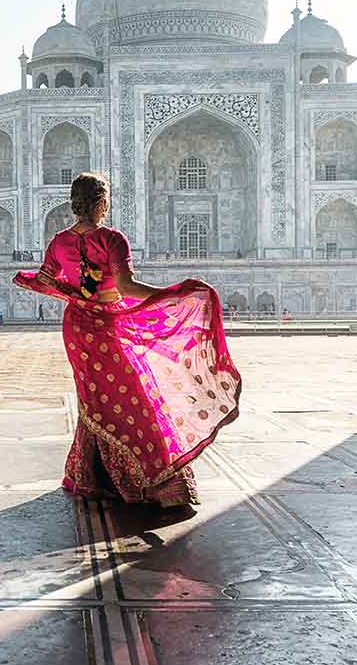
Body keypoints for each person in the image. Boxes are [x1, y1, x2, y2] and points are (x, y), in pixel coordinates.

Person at [14, 171, 242, 510]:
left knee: (97, 398)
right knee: (133, 393)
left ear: (74, 203)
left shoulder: (59, 242)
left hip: (78, 326)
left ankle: (94, 476)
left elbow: (47, 280)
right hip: (106, 322)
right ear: (102, 203)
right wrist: (169, 294)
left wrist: (76, 296)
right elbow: (126, 287)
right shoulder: (111, 239)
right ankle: (152, 479)